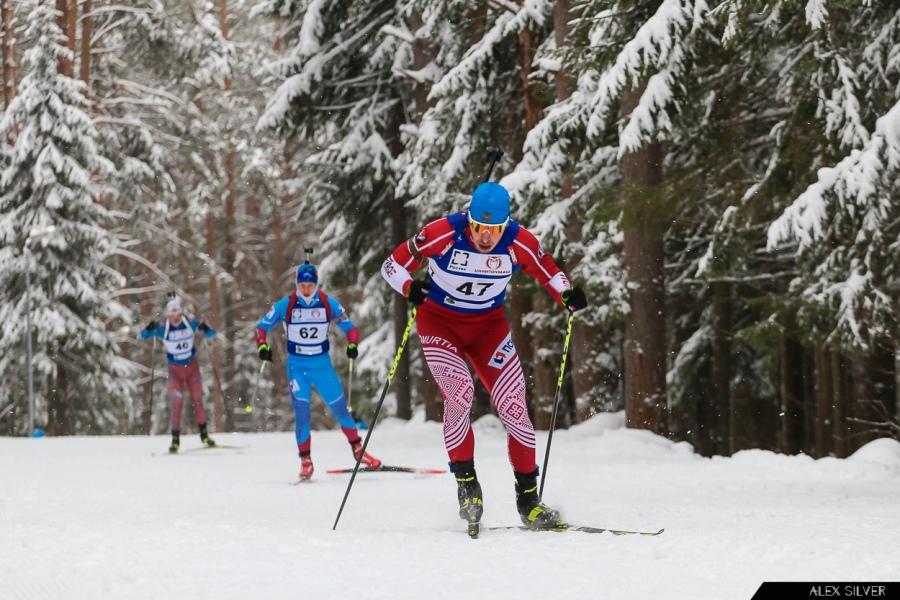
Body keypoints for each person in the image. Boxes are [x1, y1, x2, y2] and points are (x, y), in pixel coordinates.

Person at [380, 181, 587, 530]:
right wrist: (410, 287)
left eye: (494, 230)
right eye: (479, 227)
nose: (486, 237)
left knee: (514, 405)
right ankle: (467, 485)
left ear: (505, 225)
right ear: (469, 219)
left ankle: (529, 501)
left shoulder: (519, 241)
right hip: (439, 325)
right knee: (460, 393)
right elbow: (391, 265)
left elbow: (547, 269)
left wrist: (567, 295)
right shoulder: (442, 232)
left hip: (488, 330)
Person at [255, 261, 382, 480]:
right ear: (297, 284)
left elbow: (350, 328)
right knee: (302, 414)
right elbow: (261, 327)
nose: (306, 289)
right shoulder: (286, 305)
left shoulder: (326, 303)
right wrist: (263, 347)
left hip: (322, 366)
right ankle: (306, 460)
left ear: (316, 284)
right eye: (302, 285)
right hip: (297, 367)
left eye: (310, 285)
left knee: (341, 410)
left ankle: (358, 450)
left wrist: (352, 344)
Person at [140, 295, 217, 453]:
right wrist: (148, 329)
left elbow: (211, 334)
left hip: (192, 369)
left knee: (198, 400)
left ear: (181, 313)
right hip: (175, 371)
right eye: (172, 314)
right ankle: (175, 441)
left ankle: (205, 437)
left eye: (177, 314)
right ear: (168, 315)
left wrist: (206, 328)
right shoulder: (164, 328)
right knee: (177, 404)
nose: (175, 317)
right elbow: (142, 336)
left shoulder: (189, 324)